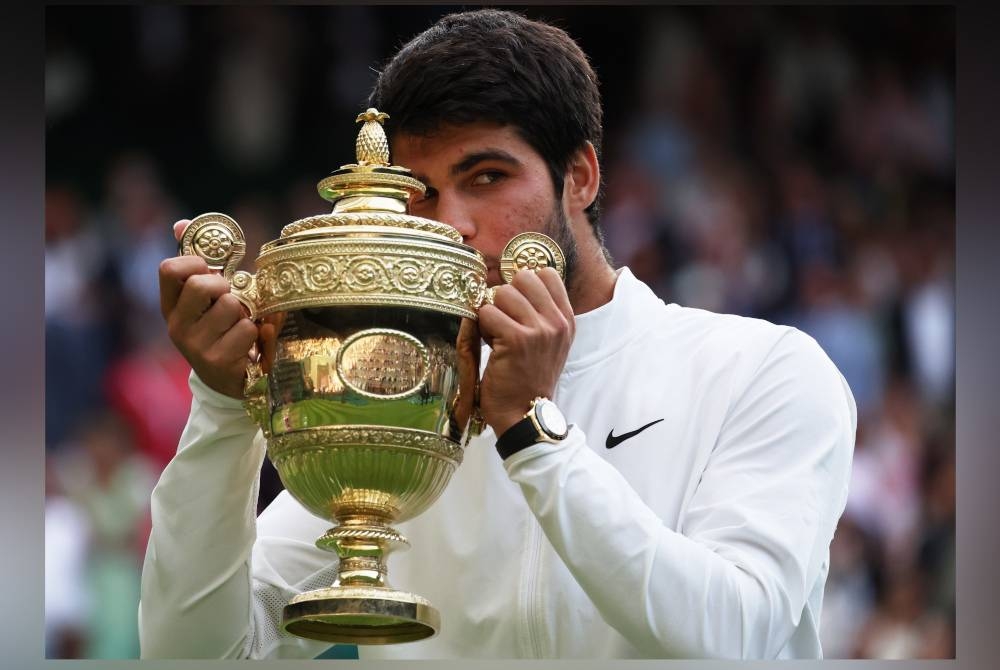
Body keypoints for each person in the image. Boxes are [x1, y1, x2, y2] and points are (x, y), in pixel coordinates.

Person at [141, 9, 856, 659]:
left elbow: (737, 635)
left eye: (486, 176)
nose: (449, 223)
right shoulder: (401, 402)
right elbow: (199, 655)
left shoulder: (764, 370)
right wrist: (224, 410)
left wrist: (531, 437)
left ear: (579, 177)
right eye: (416, 194)